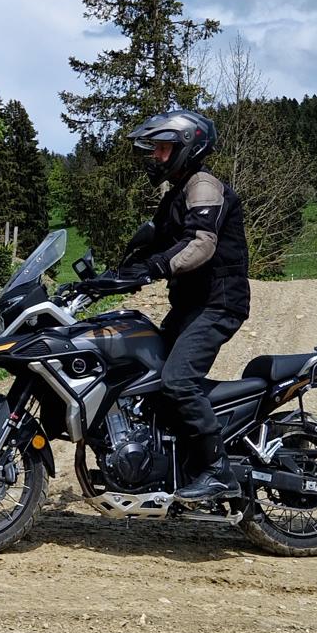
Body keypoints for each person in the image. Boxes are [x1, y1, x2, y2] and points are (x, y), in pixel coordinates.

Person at [102, 108, 250, 501]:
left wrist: (156, 268)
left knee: (178, 380)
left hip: (218, 305)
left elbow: (201, 244)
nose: (155, 156)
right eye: (155, 149)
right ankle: (173, 465)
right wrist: (105, 279)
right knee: (146, 377)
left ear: (188, 147)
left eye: (163, 148)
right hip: (190, 307)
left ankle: (218, 471)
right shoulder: (176, 195)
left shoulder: (204, 187)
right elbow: (153, 246)